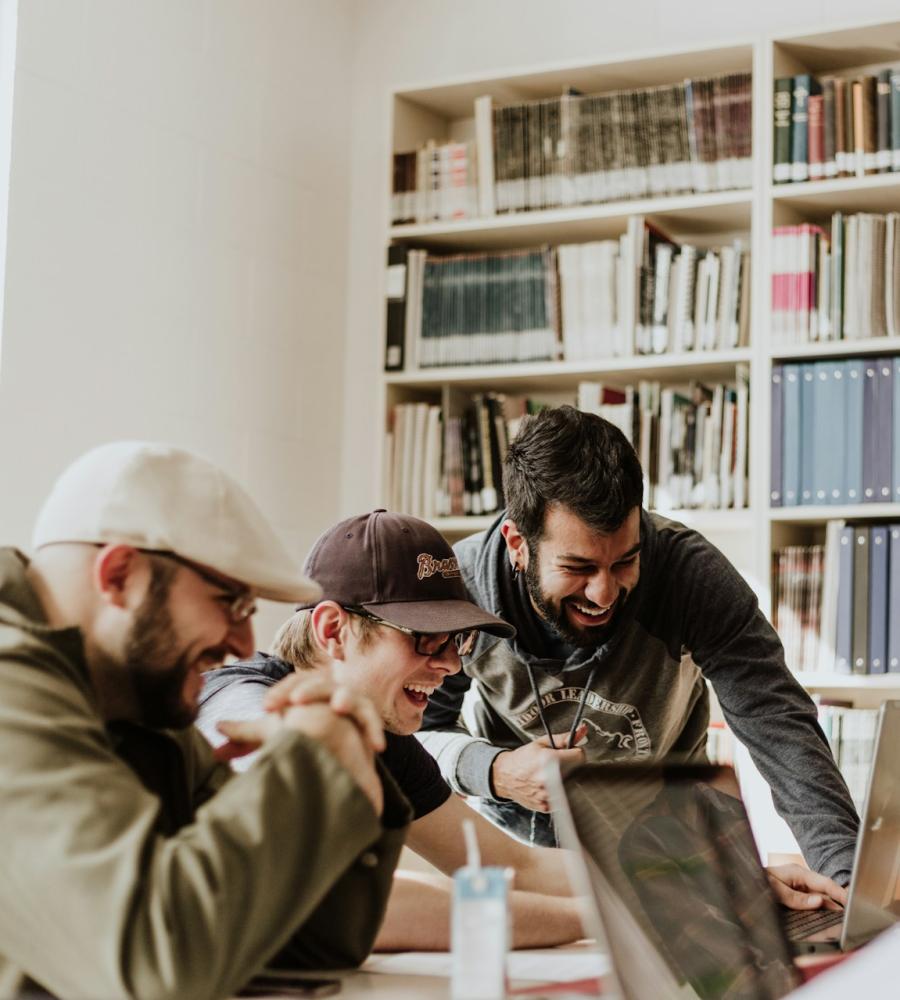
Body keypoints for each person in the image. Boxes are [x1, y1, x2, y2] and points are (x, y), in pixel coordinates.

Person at [0, 442, 410, 1000]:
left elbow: (309, 943)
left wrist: (345, 756)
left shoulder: (137, 702)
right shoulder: (11, 687)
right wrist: (310, 762)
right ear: (119, 575)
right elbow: (156, 966)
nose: (244, 643)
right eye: (230, 603)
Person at [418, 405, 860, 891]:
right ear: (518, 543)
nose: (604, 594)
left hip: (668, 847)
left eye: (625, 561)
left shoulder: (690, 576)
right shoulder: (461, 592)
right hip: (518, 856)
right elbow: (416, 734)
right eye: (579, 568)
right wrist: (494, 770)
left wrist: (847, 883)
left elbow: (779, 726)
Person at [198, 509, 587, 950]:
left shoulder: (381, 737)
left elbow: (511, 866)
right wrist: (598, 920)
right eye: (425, 637)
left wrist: (652, 884)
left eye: (456, 640)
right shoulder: (239, 705)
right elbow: (344, 901)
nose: (452, 665)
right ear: (333, 630)